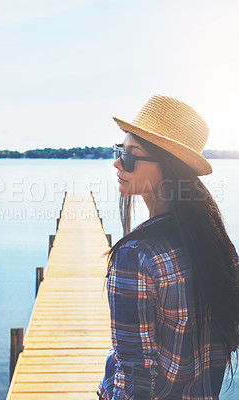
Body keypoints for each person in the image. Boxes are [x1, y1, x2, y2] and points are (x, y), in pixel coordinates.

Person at [97, 94, 239, 400]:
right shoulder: (217, 242)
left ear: (167, 167)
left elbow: (133, 379)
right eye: (119, 150)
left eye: (131, 154)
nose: (117, 161)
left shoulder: (135, 256)